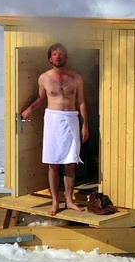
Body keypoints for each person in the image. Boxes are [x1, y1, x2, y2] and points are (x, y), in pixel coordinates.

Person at [21, 43, 90, 215]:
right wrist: (30, 108)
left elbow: (81, 101)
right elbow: (41, 98)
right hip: (53, 120)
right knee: (52, 164)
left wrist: (85, 125)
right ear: (49, 58)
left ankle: (69, 200)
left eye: (61, 54)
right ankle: (55, 202)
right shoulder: (44, 78)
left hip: (71, 119)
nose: (58, 57)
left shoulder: (76, 78)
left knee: (70, 164)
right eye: (54, 54)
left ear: (66, 58)